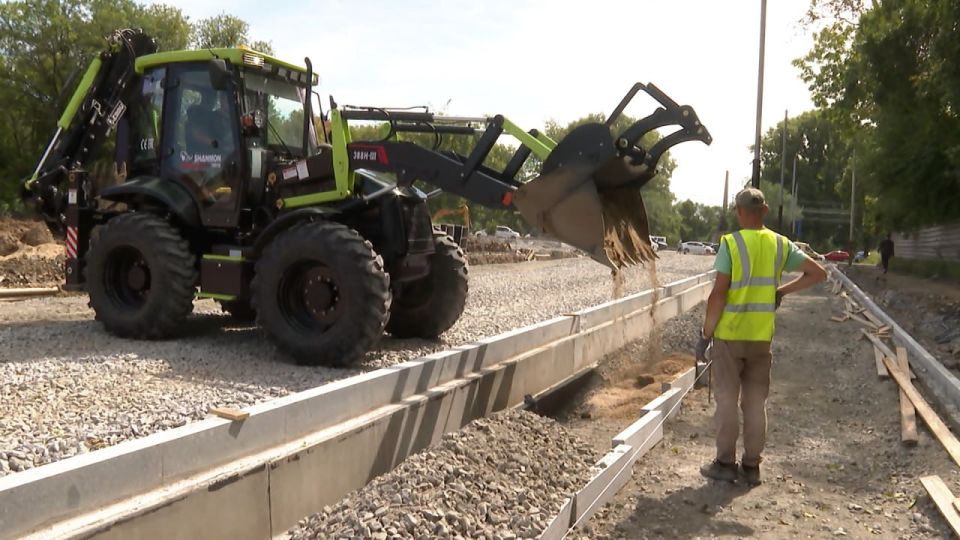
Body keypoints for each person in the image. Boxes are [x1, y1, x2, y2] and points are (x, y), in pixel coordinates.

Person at [695, 188, 827, 487]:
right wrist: (782, 291)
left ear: (739, 212)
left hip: (729, 337)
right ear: (765, 210)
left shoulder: (731, 243)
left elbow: (718, 295)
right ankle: (752, 467)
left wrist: (705, 335)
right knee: (755, 403)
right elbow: (818, 273)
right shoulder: (780, 244)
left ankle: (725, 464)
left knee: (727, 401)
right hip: (761, 338)